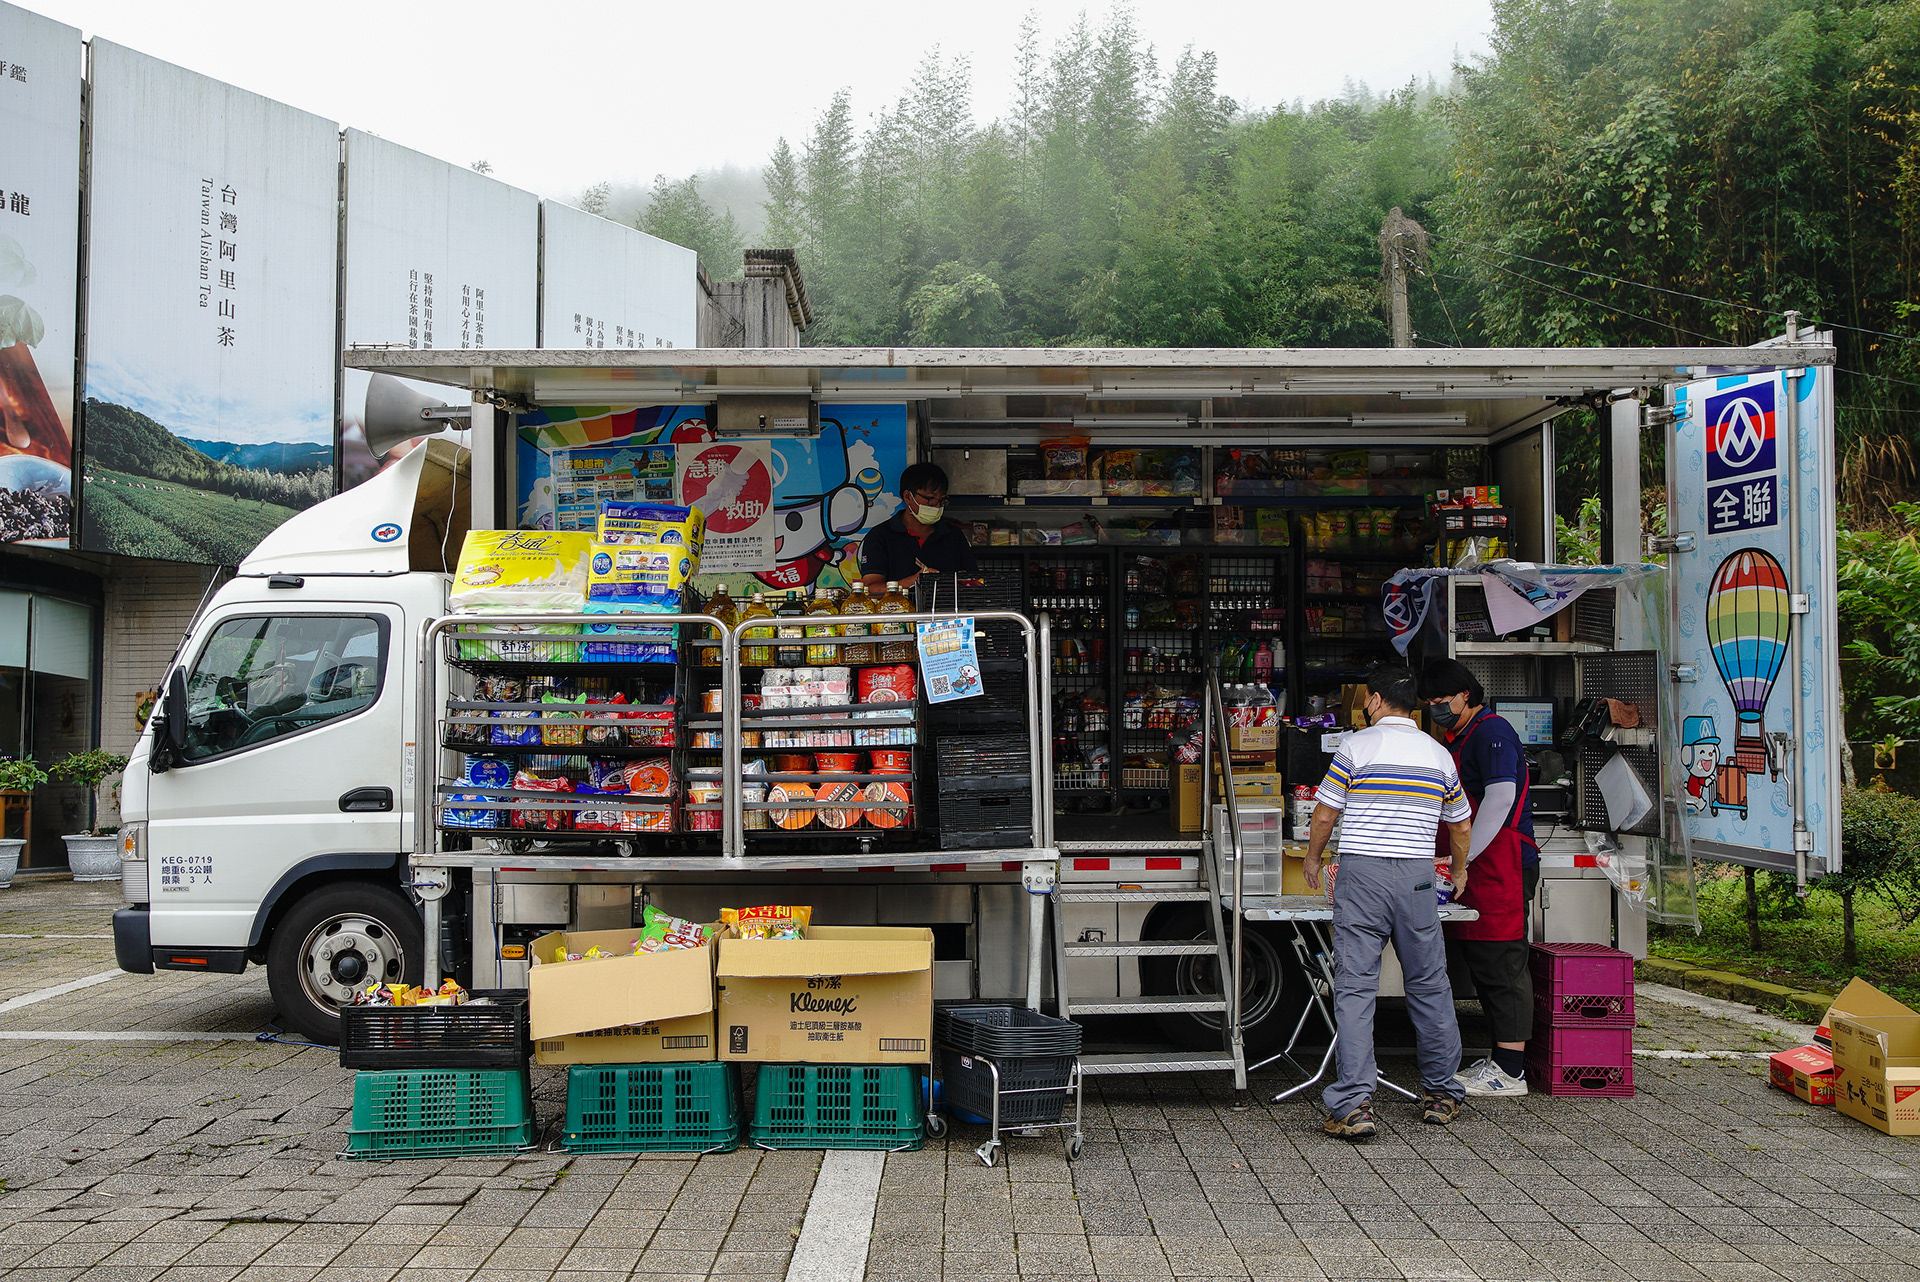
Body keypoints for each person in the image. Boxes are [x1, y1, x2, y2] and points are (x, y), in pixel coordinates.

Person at [1302, 664, 1473, 1140]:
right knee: (1429, 983)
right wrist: (1458, 870)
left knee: (1356, 988)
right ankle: (1441, 1093)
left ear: (1374, 701)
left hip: (1363, 875)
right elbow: (1460, 824)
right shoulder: (1438, 755)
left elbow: (1323, 814)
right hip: (1417, 877)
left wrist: (1313, 860)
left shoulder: (1356, 747)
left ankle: (1354, 1105)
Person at [1422, 658, 1537, 1098]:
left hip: (1500, 862)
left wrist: (1463, 858)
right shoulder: (1458, 736)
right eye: (1429, 702)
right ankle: (1500, 1060)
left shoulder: (1492, 732)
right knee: (1481, 962)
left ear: (1465, 694)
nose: (1436, 708)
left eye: (1441, 699)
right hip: (1473, 863)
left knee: (1501, 963)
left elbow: (1500, 799)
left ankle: (1510, 1072)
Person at [859, 462, 978, 593]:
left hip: (946, 612)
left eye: (942, 500)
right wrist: (912, 582)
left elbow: (974, 581)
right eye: (931, 499)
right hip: (900, 612)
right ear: (908, 497)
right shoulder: (880, 536)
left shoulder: (954, 535)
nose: (937, 506)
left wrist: (957, 580)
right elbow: (870, 589)